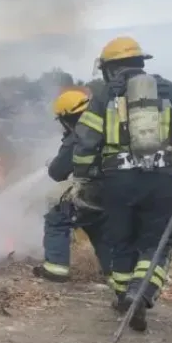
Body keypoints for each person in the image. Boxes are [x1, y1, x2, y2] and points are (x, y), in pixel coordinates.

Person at [71, 36, 172, 331]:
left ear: (109, 68)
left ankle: (125, 295)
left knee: (121, 241)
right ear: (140, 63)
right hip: (159, 179)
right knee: (158, 240)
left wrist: (83, 177)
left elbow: (86, 141)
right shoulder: (166, 90)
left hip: (117, 181)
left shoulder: (103, 96)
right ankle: (141, 293)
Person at [33, 88, 111, 283]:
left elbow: (57, 173)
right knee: (98, 225)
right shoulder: (108, 128)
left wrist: (53, 164)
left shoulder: (78, 135)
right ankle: (114, 271)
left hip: (91, 190)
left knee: (57, 217)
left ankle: (56, 269)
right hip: (113, 191)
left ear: (66, 118)